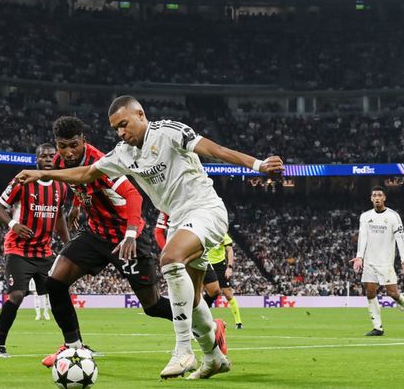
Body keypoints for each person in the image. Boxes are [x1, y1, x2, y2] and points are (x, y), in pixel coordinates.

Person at [16, 96, 283, 380]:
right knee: (191, 300)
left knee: (169, 258)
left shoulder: (169, 132)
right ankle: (214, 357)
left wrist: (259, 165)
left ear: (140, 114)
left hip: (205, 209)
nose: (120, 132)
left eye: (124, 124)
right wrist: (42, 172)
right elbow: (87, 173)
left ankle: (183, 351)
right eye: (115, 128)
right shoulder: (123, 153)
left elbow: (215, 150)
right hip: (177, 220)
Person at [39, 116, 174, 368]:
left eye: (73, 145)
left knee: (153, 306)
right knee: (55, 282)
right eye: (62, 146)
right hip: (95, 234)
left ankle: (208, 325)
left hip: (126, 237)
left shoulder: (102, 162)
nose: (68, 152)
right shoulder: (58, 162)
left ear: (84, 141)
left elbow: (132, 195)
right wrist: (77, 207)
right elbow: (81, 184)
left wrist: (131, 234)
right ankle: (73, 348)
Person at [0, 143, 70, 358]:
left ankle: (75, 344)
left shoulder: (61, 186)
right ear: (36, 160)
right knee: (17, 295)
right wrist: (12, 225)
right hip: (18, 249)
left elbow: (60, 216)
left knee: (60, 294)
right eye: (43, 156)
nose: (47, 158)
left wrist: (68, 243)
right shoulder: (22, 180)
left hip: (44, 252)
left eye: (51, 156)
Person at [350, 186, 404, 338]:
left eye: (379, 195)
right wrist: (359, 257)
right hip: (370, 262)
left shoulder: (393, 216)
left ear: (384, 198)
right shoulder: (365, 216)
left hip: (385, 262)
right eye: (374, 195)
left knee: (393, 293)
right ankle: (377, 327)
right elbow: (362, 237)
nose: (376, 198)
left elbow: (400, 238)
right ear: (371, 199)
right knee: (370, 292)